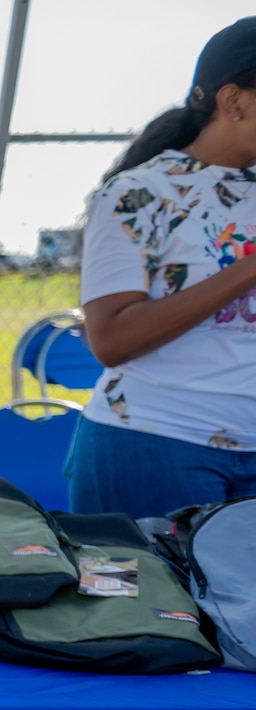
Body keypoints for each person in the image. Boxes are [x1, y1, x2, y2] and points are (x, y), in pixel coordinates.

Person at [73, 17, 256, 518]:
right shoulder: (141, 193)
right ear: (233, 101)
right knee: (157, 599)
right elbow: (111, 340)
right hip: (156, 444)